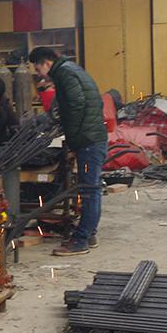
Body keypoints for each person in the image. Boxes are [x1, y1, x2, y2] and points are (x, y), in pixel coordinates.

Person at [28, 47, 108, 256]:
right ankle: (89, 234)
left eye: (38, 68)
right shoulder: (71, 69)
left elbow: (76, 104)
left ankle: (81, 241)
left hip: (88, 141)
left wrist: (68, 130)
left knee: (89, 189)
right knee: (91, 188)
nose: (38, 74)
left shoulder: (64, 73)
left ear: (46, 62)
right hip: (90, 138)